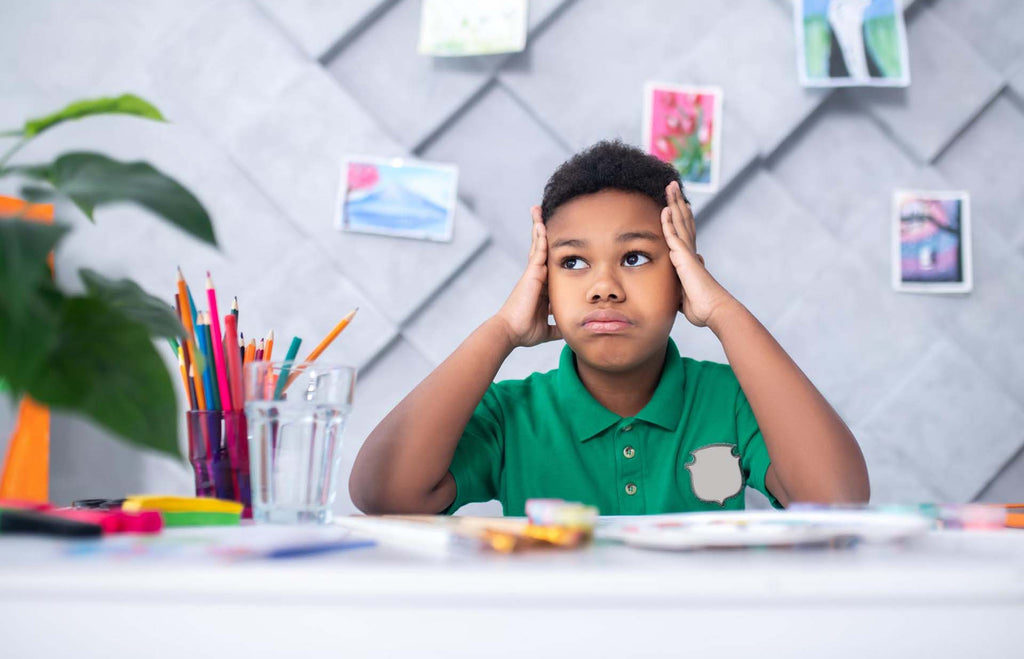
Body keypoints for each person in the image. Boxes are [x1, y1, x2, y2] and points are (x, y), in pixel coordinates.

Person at [350, 140, 870, 516]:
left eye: (637, 257)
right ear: (544, 283)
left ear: (684, 276)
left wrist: (722, 309)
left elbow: (836, 499)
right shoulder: (511, 414)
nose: (603, 286)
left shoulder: (731, 402)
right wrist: (502, 329)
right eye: (573, 263)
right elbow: (382, 493)